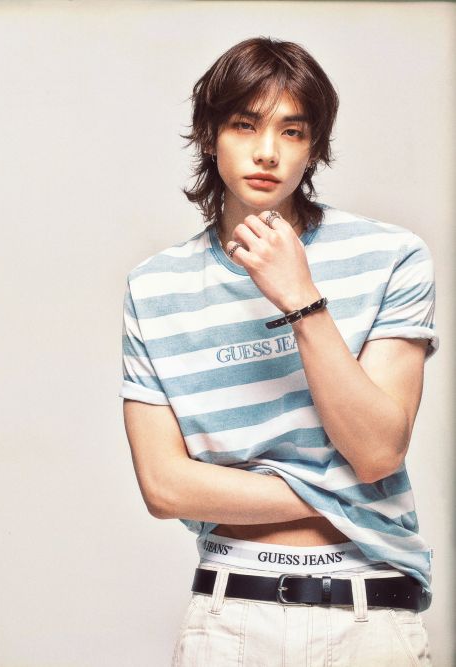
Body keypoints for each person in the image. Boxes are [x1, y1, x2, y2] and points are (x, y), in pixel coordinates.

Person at [120, 37, 438, 666]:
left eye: (292, 132)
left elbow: (377, 450)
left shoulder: (391, 257)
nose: (268, 151)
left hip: (368, 613)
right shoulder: (154, 287)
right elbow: (164, 487)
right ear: (209, 135)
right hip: (229, 616)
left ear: (313, 147)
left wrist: (300, 298)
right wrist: (347, 493)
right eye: (245, 125)